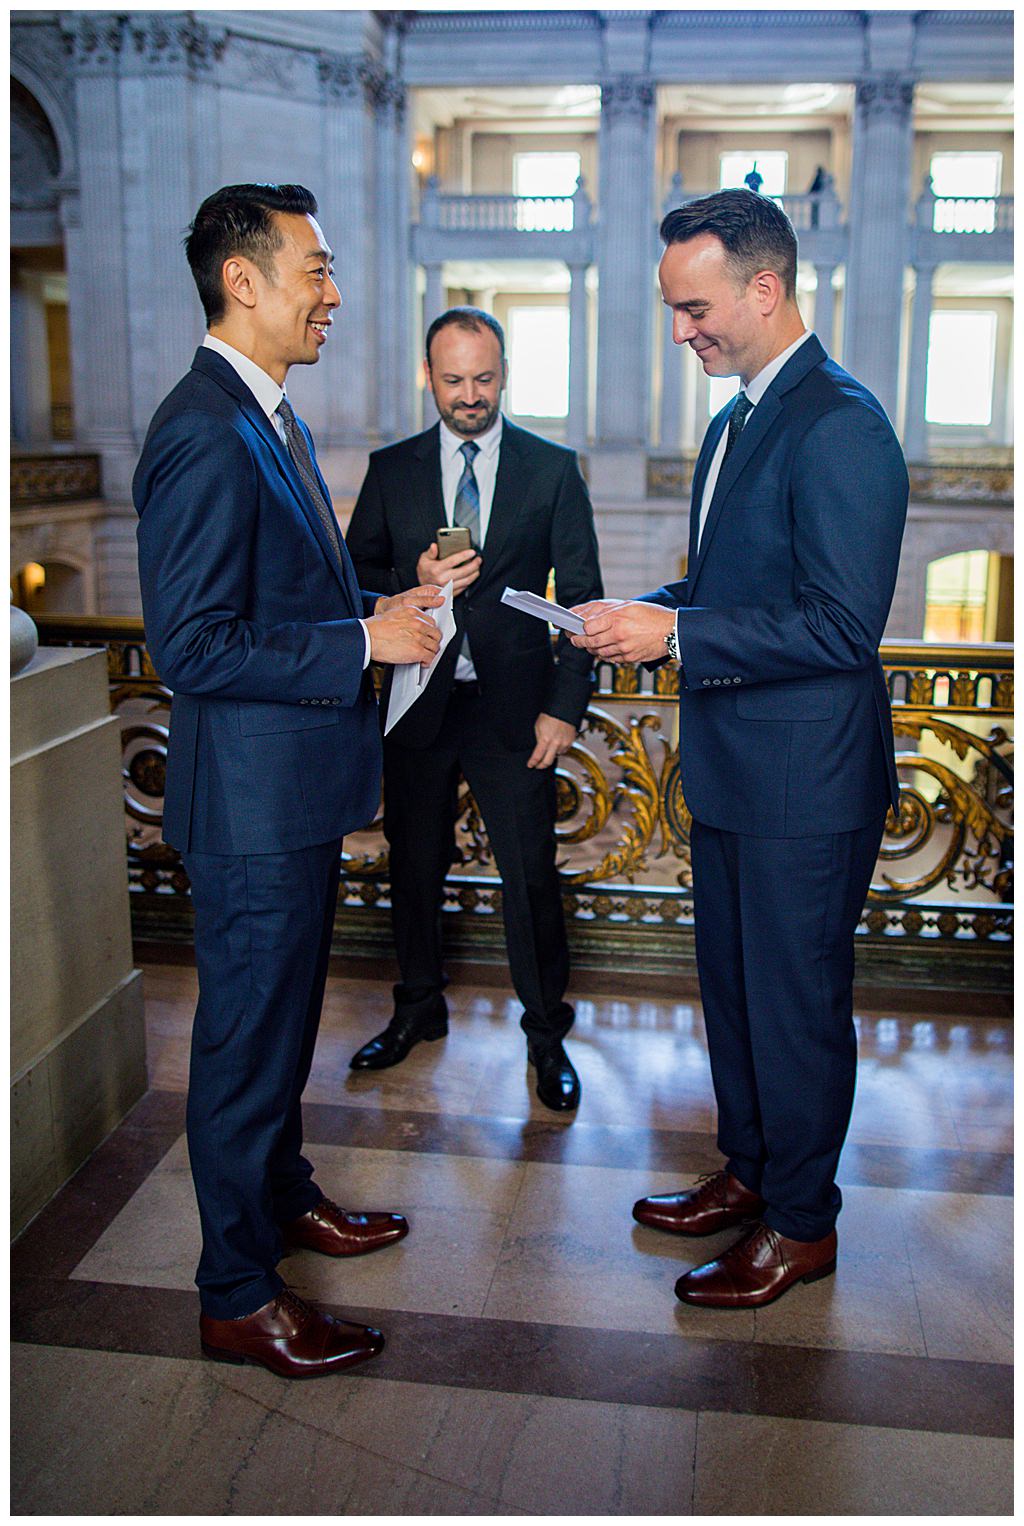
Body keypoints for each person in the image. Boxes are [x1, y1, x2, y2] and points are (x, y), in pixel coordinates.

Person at [571, 189, 908, 1308]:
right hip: (730, 768)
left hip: (806, 784)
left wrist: (679, 631)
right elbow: (728, 591)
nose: (682, 332)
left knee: (794, 1004)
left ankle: (802, 1223)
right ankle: (753, 1169)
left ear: (766, 289)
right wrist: (644, 608)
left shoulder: (842, 423)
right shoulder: (732, 420)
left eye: (695, 307)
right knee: (733, 991)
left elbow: (838, 623)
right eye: (674, 310)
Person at [134, 183, 445, 1377]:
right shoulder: (203, 429)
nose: (331, 292)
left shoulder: (272, 415)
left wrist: (379, 609)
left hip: (294, 798)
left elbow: (284, 603)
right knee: (245, 1046)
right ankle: (235, 1291)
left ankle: (282, 1196)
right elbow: (195, 646)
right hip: (252, 808)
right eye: (312, 269)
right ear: (243, 281)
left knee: (279, 1032)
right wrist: (359, 646)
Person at [345, 307, 603, 1112]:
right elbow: (349, 586)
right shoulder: (391, 470)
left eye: (484, 379)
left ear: (503, 373)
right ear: (430, 376)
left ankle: (546, 1036)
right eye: (453, 380)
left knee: (529, 879)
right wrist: (406, 583)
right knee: (413, 869)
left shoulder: (553, 468)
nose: (470, 396)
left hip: (516, 714)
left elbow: (585, 601)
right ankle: (417, 1011)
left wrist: (564, 708)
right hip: (418, 709)